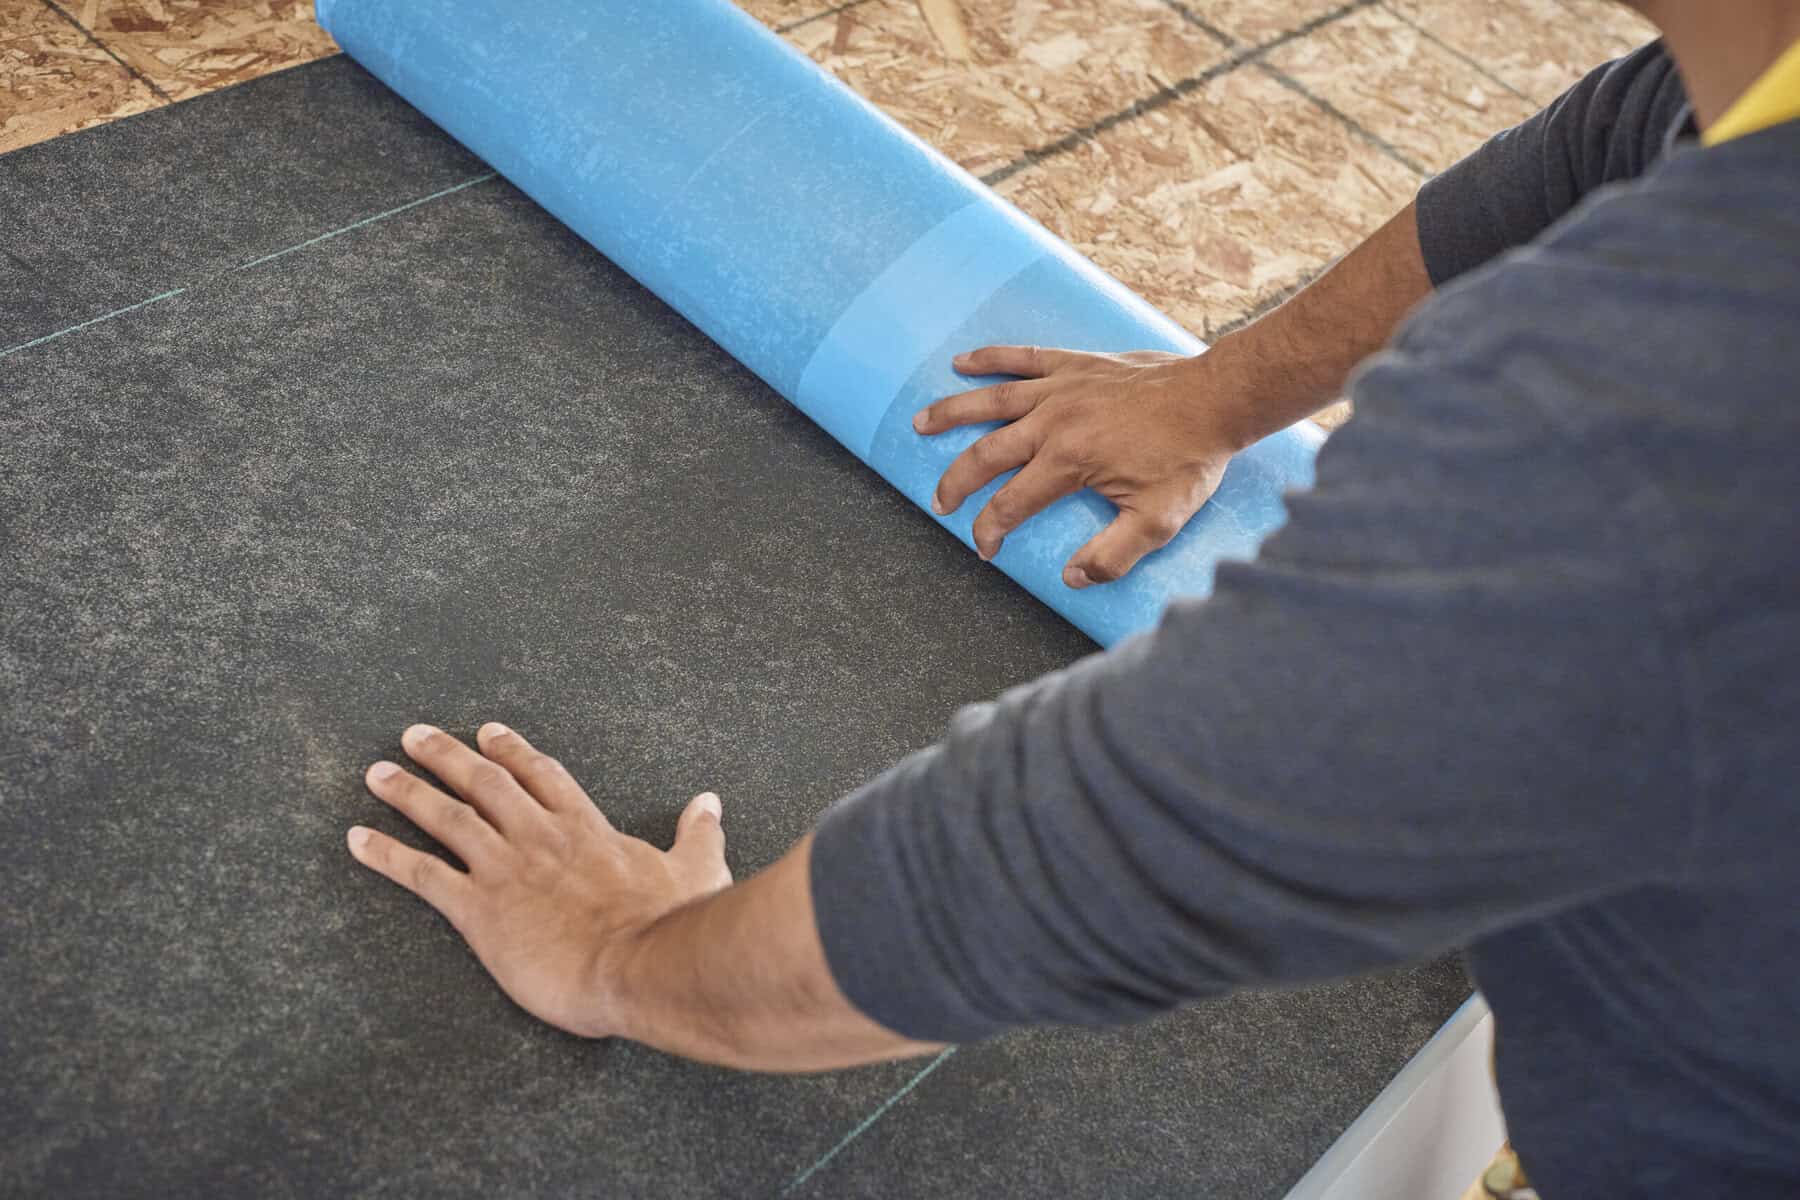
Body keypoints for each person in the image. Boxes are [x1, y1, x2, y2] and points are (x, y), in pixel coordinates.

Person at [344, 2, 1800, 1194]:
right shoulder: (1752, 100)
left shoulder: (1677, 420)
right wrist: (1218, 395)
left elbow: (1112, 845)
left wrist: (619, 960)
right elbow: (1612, 142)